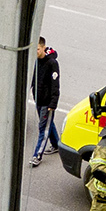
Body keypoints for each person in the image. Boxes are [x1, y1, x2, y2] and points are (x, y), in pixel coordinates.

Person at [29, 36, 61, 168]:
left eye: (37, 49)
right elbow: (33, 78)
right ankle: (56, 144)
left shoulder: (52, 63)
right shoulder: (36, 61)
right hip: (39, 99)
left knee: (43, 129)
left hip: (47, 103)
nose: (35, 52)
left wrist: (53, 104)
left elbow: (55, 85)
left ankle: (37, 155)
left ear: (43, 47)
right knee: (48, 124)